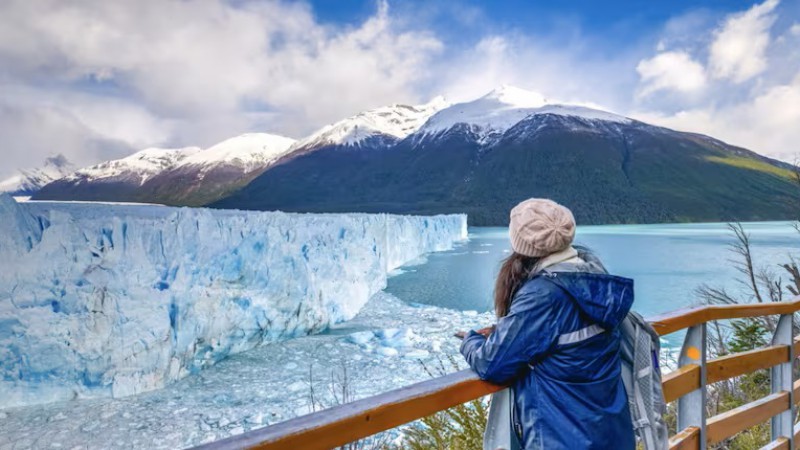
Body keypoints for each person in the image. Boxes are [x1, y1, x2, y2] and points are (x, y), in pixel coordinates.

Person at [457, 198, 635, 450]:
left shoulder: (543, 294)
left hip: (563, 438)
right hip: (610, 433)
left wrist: (471, 341)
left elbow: (493, 363)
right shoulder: (593, 276)